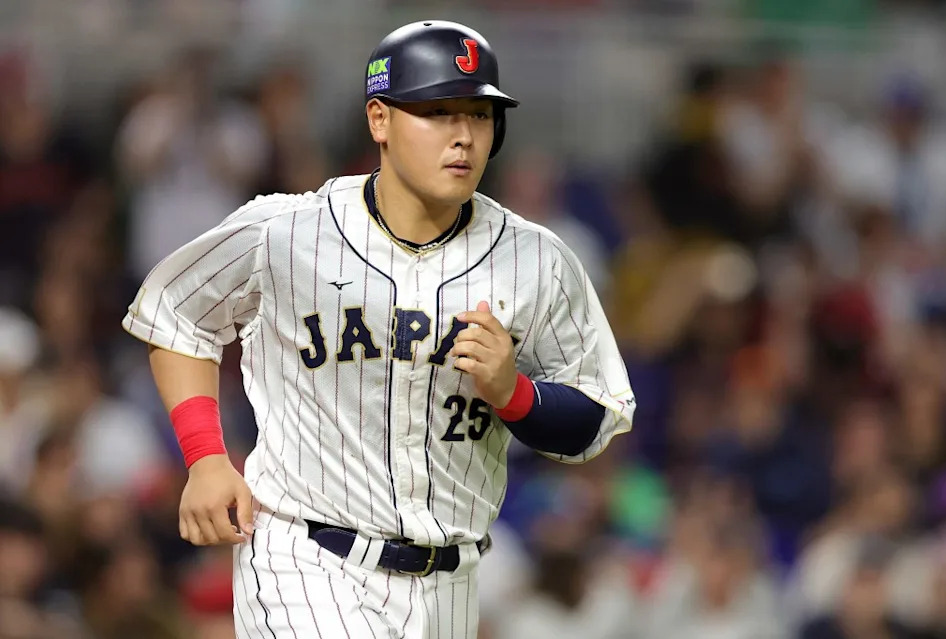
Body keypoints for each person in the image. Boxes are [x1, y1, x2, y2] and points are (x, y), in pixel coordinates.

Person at [121, 20, 634, 638]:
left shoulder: (536, 259)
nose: (464, 136)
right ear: (380, 120)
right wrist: (206, 458)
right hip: (304, 556)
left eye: (478, 115)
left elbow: (593, 422)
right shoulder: (288, 233)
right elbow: (175, 316)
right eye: (438, 112)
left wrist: (514, 393)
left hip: (450, 581)